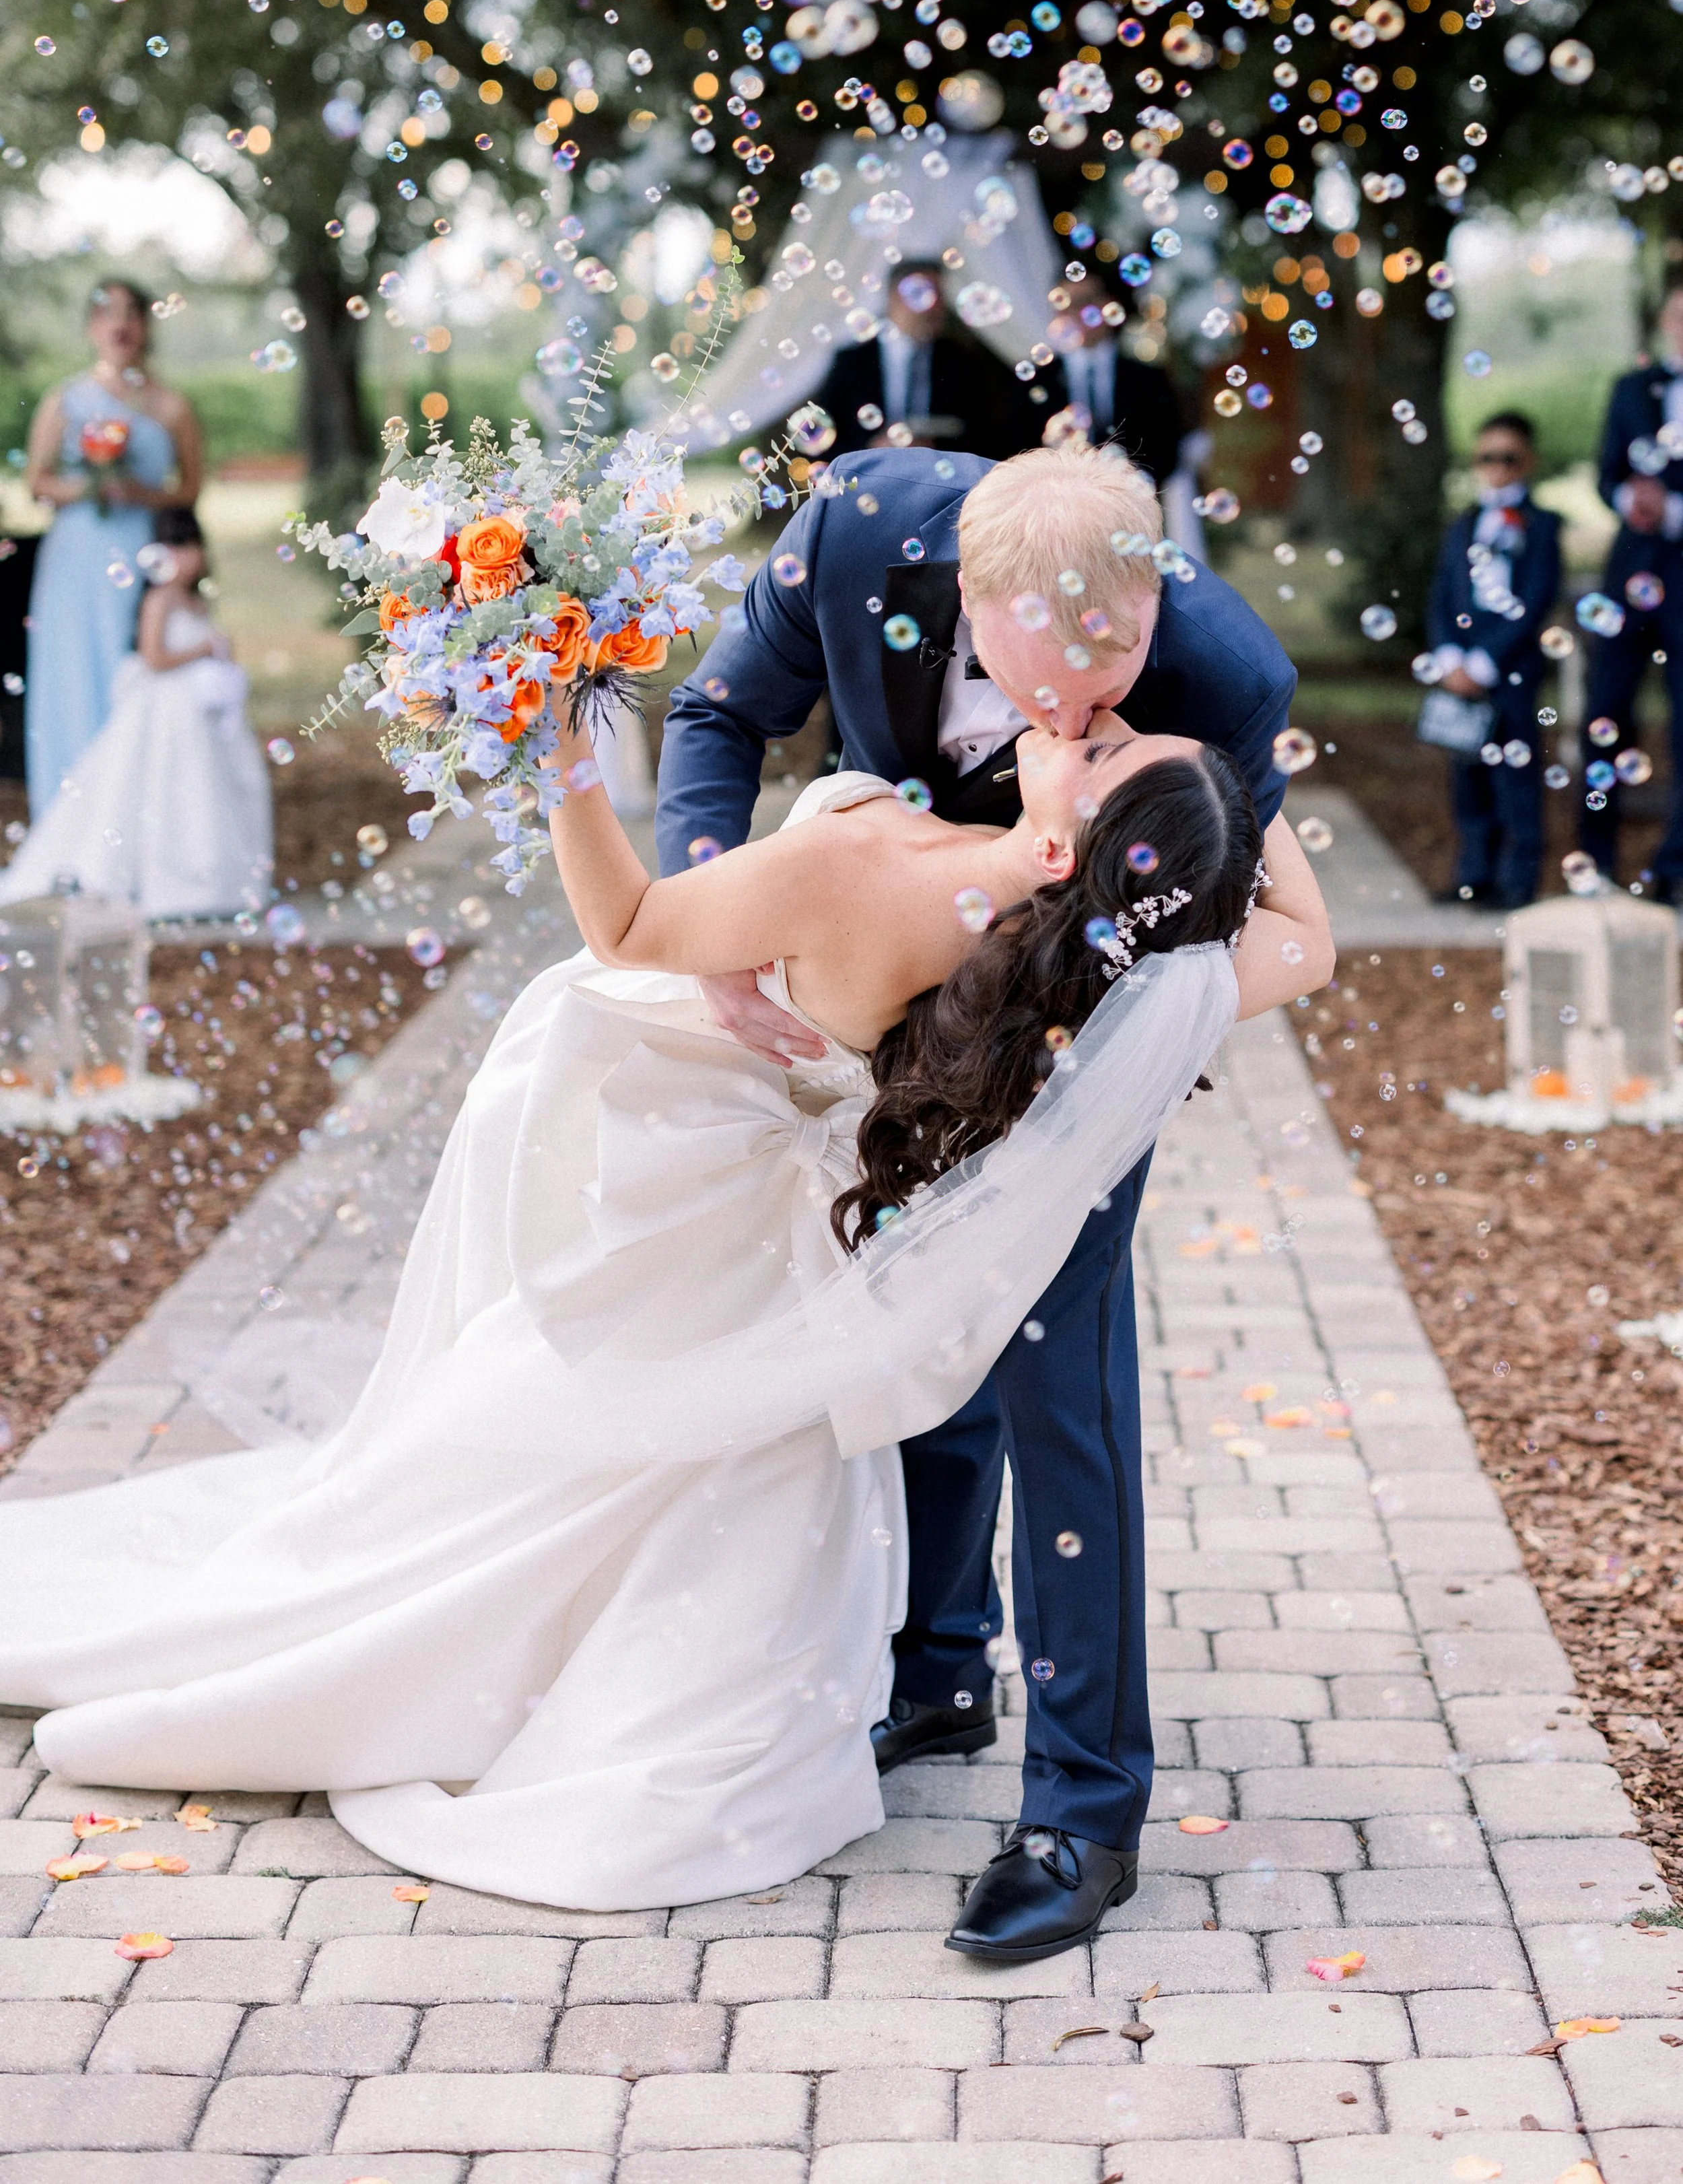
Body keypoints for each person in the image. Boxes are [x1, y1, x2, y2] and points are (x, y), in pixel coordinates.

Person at [0, 693, 1332, 1914]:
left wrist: (554, 731)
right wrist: (1225, 774)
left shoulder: (862, 873)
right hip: (780, 1236)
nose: (1093, 712)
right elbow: (1306, 942)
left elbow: (626, 927)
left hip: (682, 1193)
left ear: (1060, 856)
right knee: (652, 1488)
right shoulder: (1129, 981)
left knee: (528, 1456)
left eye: (1103, 752)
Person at [658, 443, 1301, 1960]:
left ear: (1158, 600)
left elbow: (1234, 932)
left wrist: (1083, 1049)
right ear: (967, 595)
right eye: (1043, 667)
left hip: (1089, 1018)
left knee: (1053, 1369)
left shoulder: (1227, 680)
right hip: (882, 985)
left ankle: (1084, 1813)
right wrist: (714, 921)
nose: (1079, 704)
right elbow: (713, 710)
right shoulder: (851, 535)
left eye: (1115, 661)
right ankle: (936, 1671)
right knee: (908, 1306)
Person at [0, 512, 272, 920]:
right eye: (177, 548)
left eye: (192, 547)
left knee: (199, 794)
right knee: (157, 791)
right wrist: (203, 652)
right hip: (164, 714)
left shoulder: (196, 601)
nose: (187, 558)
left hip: (199, 718)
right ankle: (159, 883)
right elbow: (153, 658)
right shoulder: (158, 600)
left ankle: (206, 883)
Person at [22, 279, 203, 813]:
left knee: (132, 671)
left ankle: (131, 815)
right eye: (107, 313)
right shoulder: (66, 400)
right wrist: (91, 485)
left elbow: (190, 488)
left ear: (147, 326)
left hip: (140, 550)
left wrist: (140, 493)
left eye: (132, 313)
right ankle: (67, 813)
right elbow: (38, 483)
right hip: (74, 558)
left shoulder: (173, 406)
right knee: (72, 675)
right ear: (91, 327)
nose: (120, 324)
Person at [1423, 411, 1561, 911]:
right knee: (1468, 774)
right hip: (1461, 664)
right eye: (1487, 458)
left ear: (1528, 462)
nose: (1497, 468)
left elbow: (1536, 596)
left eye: (1508, 458)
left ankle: (1517, 880)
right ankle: (1473, 874)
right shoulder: (1463, 524)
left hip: (1511, 669)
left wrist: (1485, 661)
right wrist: (1449, 654)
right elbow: (1442, 592)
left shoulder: (1542, 526)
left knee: (1516, 776)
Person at [1580, 281, 1683, 897]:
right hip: (1627, 580)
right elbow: (1606, 474)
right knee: (1606, 712)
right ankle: (1595, 862)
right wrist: (1627, 499)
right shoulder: (1631, 388)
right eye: (1677, 314)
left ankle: (1675, 869)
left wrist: (1668, 511)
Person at [813, 259, 1028, 459]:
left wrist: (934, 447)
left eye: (939, 295)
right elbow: (823, 436)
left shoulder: (963, 361)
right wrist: (871, 451)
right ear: (893, 297)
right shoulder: (852, 361)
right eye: (921, 294)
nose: (934, 306)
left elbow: (988, 435)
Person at [1033, 276, 1184, 491]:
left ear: (1110, 305)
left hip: (1129, 502)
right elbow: (1020, 448)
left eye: (1089, 301)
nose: (1081, 312)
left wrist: (1126, 487)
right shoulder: (1037, 382)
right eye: (1069, 303)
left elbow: (1166, 450)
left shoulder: (1148, 377)